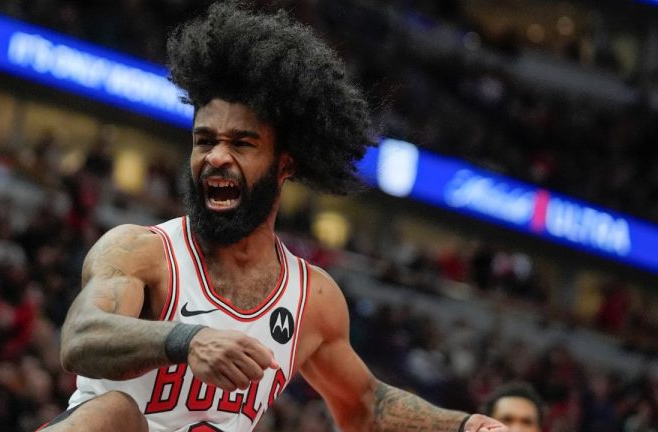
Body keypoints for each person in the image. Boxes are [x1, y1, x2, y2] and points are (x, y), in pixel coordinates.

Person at [41, 2, 509, 431]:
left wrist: (464, 426)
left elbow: (368, 405)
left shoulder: (313, 299)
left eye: (241, 143)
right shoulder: (140, 251)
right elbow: (79, 337)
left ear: (285, 164)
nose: (216, 157)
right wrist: (187, 340)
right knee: (115, 413)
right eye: (205, 140)